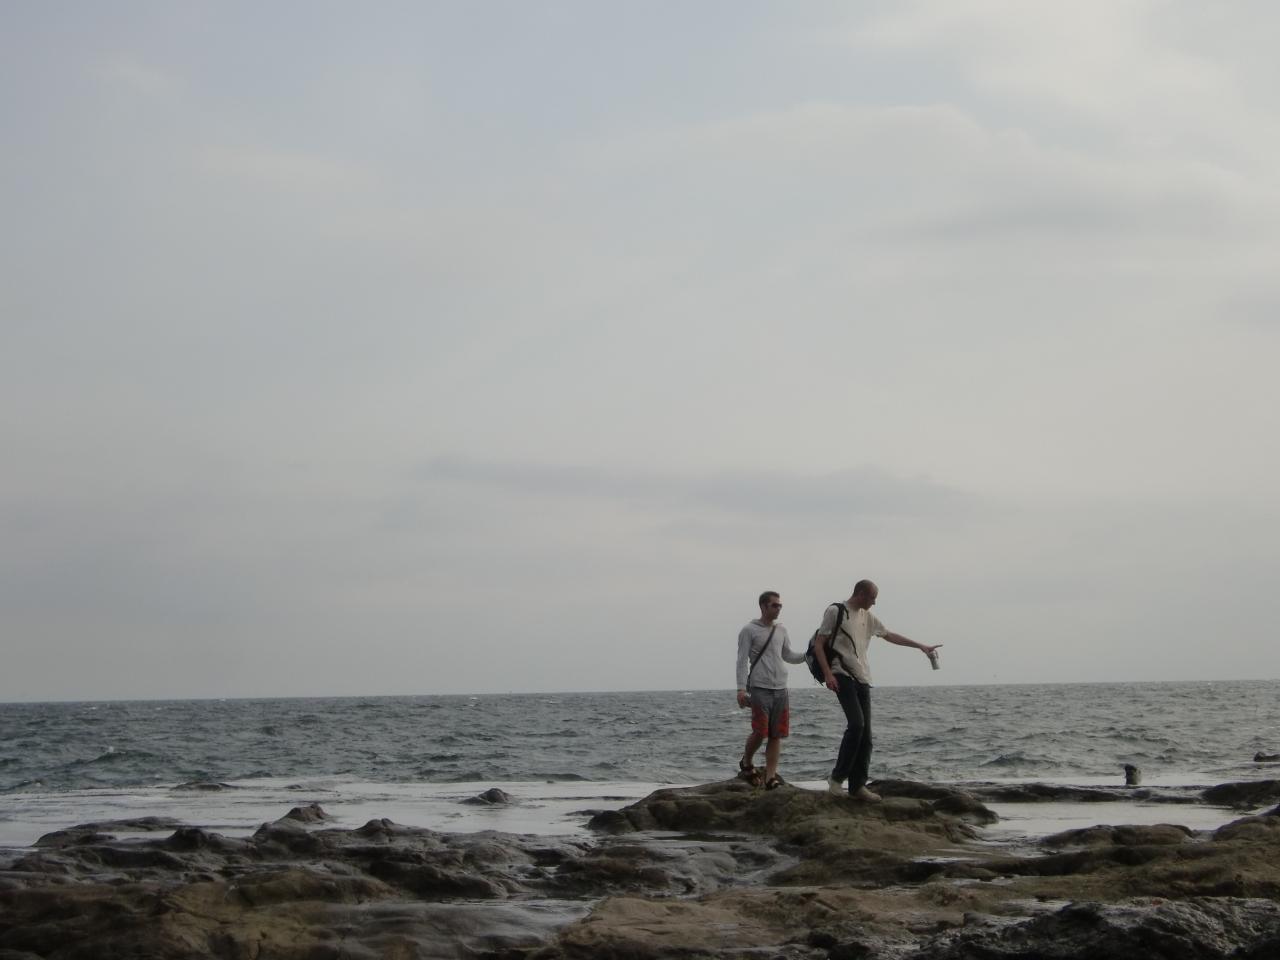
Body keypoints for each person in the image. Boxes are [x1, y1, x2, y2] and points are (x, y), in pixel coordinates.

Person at [811, 580, 941, 801]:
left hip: (863, 677)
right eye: (872, 598)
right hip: (841, 673)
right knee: (856, 725)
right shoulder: (836, 611)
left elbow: (889, 635)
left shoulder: (867, 617)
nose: (874, 602)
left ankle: (857, 786)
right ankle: (836, 780)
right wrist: (828, 674)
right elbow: (818, 644)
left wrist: (921, 646)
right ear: (861, 593)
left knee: (866, 735)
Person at [735, 590, 806, 790]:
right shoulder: (749, 630)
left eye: (780, 605)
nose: (778, 608)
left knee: (776, 734)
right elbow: (741, 661)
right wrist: (741, 689)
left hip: (781, 688)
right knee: (760, 731)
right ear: (763, 606)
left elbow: (788, 655)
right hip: (760, 688)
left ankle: (770, 777)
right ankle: (747, 761)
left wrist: (808, 655)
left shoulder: (781, 630)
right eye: (774, 605)